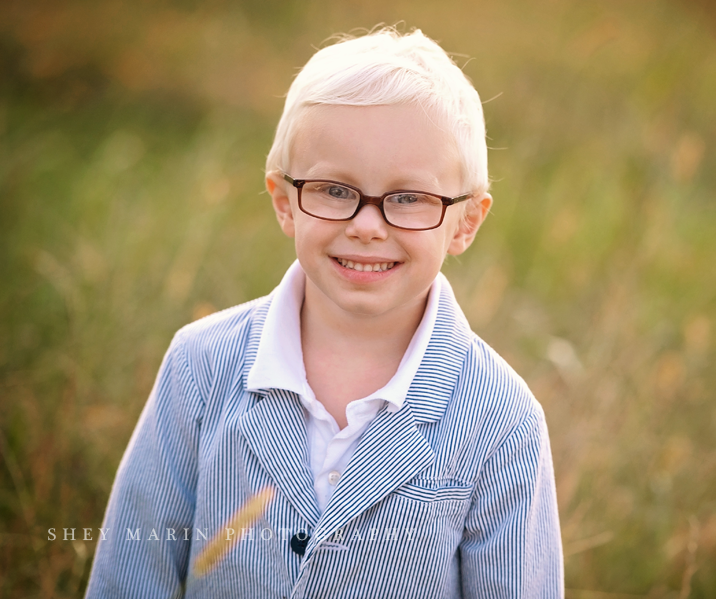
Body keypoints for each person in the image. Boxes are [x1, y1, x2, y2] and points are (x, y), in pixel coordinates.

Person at [86, 27, 563, 598]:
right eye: (335, 190)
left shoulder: (502, 420)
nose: (367, 225)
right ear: (285, 202)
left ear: (465, 223)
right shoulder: (200, 366)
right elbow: (132, 574)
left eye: (409, 198)